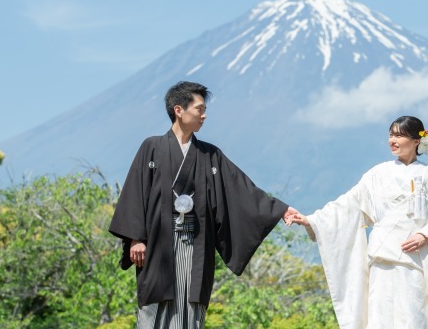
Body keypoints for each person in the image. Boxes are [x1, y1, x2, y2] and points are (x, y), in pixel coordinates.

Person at [109, 81, 297, 328]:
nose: (204, 115)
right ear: (179, 110)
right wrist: (136, 238)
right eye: (199, 109)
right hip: (157, 246)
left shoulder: (210, 155)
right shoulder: (151, 147)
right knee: (154, 309)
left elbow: (240, 189)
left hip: (196, 245)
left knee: (191, 307)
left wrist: (280, 209)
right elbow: (136, 191)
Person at [288, 116, 428, 329]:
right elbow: (349, 204)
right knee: (379, 316)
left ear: (416, 141)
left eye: (399, 135)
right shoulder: (377, 174)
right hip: (382, 257)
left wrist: (425, 235)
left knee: (412, 316)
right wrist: (311, 219)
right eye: (391, 135)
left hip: (414, 259)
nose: (393, 140)